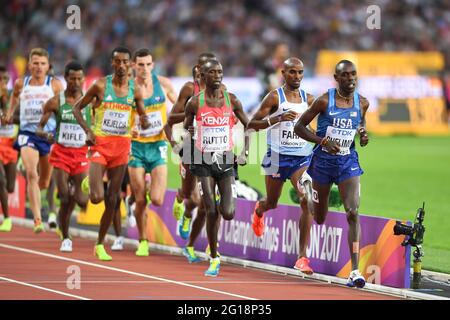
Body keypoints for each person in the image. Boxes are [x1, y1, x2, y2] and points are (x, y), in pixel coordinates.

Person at [294, 60, 370, 288]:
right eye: (345, 75)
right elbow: (299, 127)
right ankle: (307, 187)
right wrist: (322, 141)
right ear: (336, 79)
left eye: (353, 74)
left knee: (353, 212)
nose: (350, 79)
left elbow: (360, 123)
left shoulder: (363, 103)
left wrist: (363, 133)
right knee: (319, 217)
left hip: (348, 162)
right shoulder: (324, 101)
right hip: (323, 164)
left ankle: (355, 271)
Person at [73, 46, 149, 261]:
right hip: (100, 145)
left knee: (113, 199)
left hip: (122, 147)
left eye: (126, 62)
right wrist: (88, 130)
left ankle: (99, 244)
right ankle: (91, 180)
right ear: (112, 63)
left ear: (130, 64)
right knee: (96, 198)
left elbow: (142, 113)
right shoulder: (100, 85)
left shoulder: (135, 89)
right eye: (118, 62)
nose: (122, 66)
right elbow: (78, 108)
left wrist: (143, 119)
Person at [248, 57, 316, 274]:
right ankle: (259, 210)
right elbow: (252, 124)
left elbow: (318, 125)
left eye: (300, 72)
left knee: (306, 199)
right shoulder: (274, 97)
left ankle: (302, 257)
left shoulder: (310, 99)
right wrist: (276, 119)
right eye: (292, 72)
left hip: (301, 159)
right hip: (276, 157)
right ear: (283, 74)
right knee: (272, 202)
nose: (296, 77)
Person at [184, 59, 249, 276]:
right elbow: (186, 126)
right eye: (212, 72)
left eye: (220, 71)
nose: (217, 75)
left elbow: (248, 125)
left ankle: (220, 198)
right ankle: (214, 257)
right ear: (202, 75)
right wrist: (191, 139)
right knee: (210, 209)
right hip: (203, 162)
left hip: (226, 160)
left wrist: (245, 152)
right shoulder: (194, 103)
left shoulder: (232, 100)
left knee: (228, 213)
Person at [164, 53, 223, 263]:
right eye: (207, 68)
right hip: (190, 149)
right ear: (199, 69)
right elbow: (170, 120)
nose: (213, 73)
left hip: (213, 152)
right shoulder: (190, 90)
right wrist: (175, 145)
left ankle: (210, 247)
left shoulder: (222, 91)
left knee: (211, 202)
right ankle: (182, 201)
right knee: (192, 196)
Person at [3, 48, 64, 233]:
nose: (38, 67)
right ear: (29, 65)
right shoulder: (22, 83)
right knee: (32, 174)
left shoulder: (54, 85)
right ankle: (38, 220)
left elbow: (62, 110)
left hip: (47, 136)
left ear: (48, 66)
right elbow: (14, 98)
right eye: (35, 63)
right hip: (27, 134)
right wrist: (8, 113)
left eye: (42, 64)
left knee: (44, 181)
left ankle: (38, 194)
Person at [36, 61, 90, 252]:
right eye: (72, 78)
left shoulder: (89, 101)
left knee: (83, 200)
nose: (76, 82)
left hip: (81, 154)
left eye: (79, 78)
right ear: (66, 78)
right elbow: (39, 128)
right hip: (61, 154)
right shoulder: (55, 102)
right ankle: (66, 237)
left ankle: (65, 211)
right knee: (65, 198)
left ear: (83, 79)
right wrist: (46, 135)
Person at [128, 48, 177, 256]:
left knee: (156, 199)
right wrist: (127, 128)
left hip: (158, 146)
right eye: (141, 65)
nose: (145, 68)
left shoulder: (163, 84)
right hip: (136, 147)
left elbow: (181, 105)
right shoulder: (128, 88)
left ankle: (151, 186)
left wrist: (172, 123)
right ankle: (143, 240)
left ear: (153, 65)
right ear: (133, 66)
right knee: (140, 200)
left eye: (148, 64)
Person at [0, 66, 18, 232]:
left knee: (10, 187)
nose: (3, 83)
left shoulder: (14, 97)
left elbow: (20, 117)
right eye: (0, 80)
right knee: (2, 181)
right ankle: (7, 218)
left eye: (5, 80)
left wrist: (11, 117)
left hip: (11, 144)